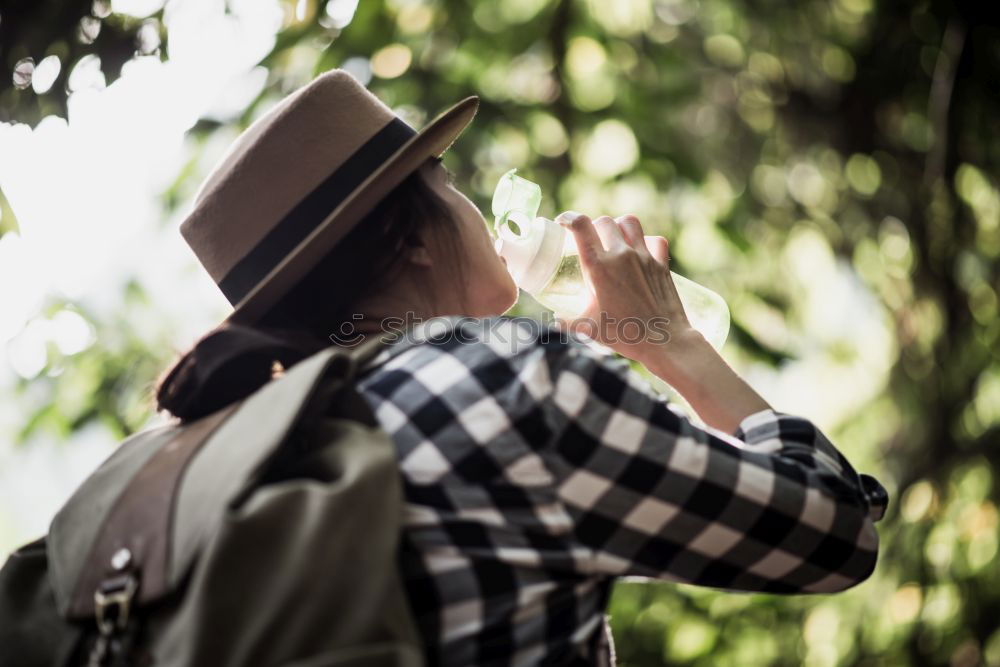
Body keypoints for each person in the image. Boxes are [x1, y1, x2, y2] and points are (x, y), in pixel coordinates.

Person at [154, 70, 889, 666]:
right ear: (405, 234)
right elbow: (835, 529)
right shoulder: (515, 386)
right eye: (448, 183)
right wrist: (675, 342)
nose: (475, 212)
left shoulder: (255, 457)